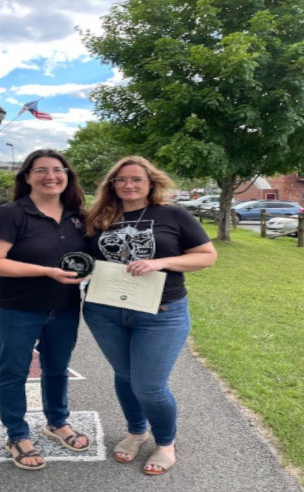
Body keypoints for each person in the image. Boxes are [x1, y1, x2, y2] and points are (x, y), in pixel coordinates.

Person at [83, 156, 217, 475]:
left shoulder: (173, 214)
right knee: (125, 375)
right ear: (112, 185)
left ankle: (165, 442)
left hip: (161, 313)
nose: (128, 185)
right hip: (105, 311)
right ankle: (136, 431)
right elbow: (87, 257)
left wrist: (160, 262)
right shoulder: (99, 217)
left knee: (149, 385)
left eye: (136, 179)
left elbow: (207, 257)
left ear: (150, 183)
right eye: (121, 180)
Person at [0, 149, 90, 471]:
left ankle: (57, 422)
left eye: (58, 170)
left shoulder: (77, 215)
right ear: (27, 177)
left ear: (68, 176)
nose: (50, 176)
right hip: (17, 308)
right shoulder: (10, 214)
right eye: (41, 170)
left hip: (65, 307)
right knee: (13, 372)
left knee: (57, 369)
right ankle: (16, 434)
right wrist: (47, 271)